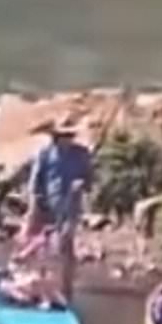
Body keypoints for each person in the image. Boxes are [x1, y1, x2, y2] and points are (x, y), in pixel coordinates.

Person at [22, 118, 93, 304]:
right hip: (46, 204)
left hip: (71, 206)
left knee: (65, 244)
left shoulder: (82, 154)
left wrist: (82, 184)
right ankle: (38, 282)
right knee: (39, 244)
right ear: (56, 137)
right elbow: (35, 182)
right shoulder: (44, 154)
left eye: (70, 136)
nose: (68, 139)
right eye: (64, 136)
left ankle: (67, 288)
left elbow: (89, 179)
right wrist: (34, 204)